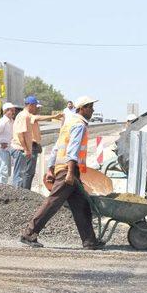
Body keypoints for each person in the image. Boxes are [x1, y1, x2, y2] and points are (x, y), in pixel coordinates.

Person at [20, 96, 102, 249]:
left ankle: (90, 241)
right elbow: (72, 150)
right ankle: (29, 233)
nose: (93, 110)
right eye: (90, 107)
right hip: (68, 170)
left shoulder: (69, 122)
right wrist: (70, 172)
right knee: (53, 202)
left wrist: (51, 168)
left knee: (81, 205)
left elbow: (57, 147)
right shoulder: (79, 125)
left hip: (66, 169)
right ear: (82, 108)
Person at [23, 103, 62, 190]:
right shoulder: (30, 116)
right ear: (31, 106)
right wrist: (53, 117)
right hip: (31, 146)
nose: (38, 110)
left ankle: (25, 190)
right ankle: (25, 191)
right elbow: (39, 118)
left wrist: (38, 144)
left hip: (34, 145)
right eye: (37, 108)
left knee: (30, 172)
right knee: (29, 172)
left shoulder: (32, 117)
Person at [11, 96, 40, 189]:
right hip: (20, 150)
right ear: (31, 105)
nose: (36, 108)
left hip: (22, 149)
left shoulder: (26, 115)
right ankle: (16, 197)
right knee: (19, 175)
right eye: (35, 106)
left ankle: (20, 196)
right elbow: (20, 134)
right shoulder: (24, 116)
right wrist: (26, 149)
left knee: (22, 173)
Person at [0, 102, 16, 184]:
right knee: (2, 172)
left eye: (13, 110)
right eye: (11, 110)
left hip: (8, 150)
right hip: (1, 151)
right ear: (6, 111)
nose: (13, 112)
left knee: (6, 172)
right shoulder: (3, 121)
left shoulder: (11, 121)